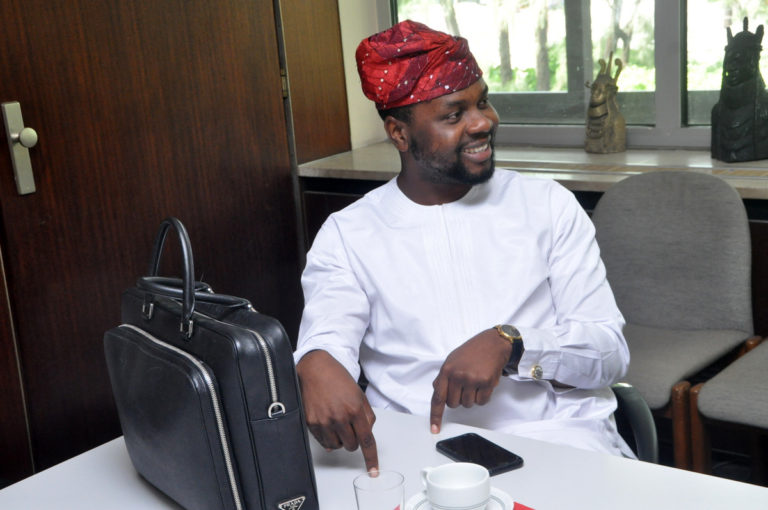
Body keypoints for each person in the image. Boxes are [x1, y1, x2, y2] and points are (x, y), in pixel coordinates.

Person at [294, 20, 633, 473]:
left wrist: (512, 344)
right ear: (399, 134)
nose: (484, 122)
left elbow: (608, 353)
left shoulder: (547, 205)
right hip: (415, 449)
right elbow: (326, 339)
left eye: (483, 102)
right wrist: (315, 363)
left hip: (555, 438)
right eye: (454, 115)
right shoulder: (349, 233)